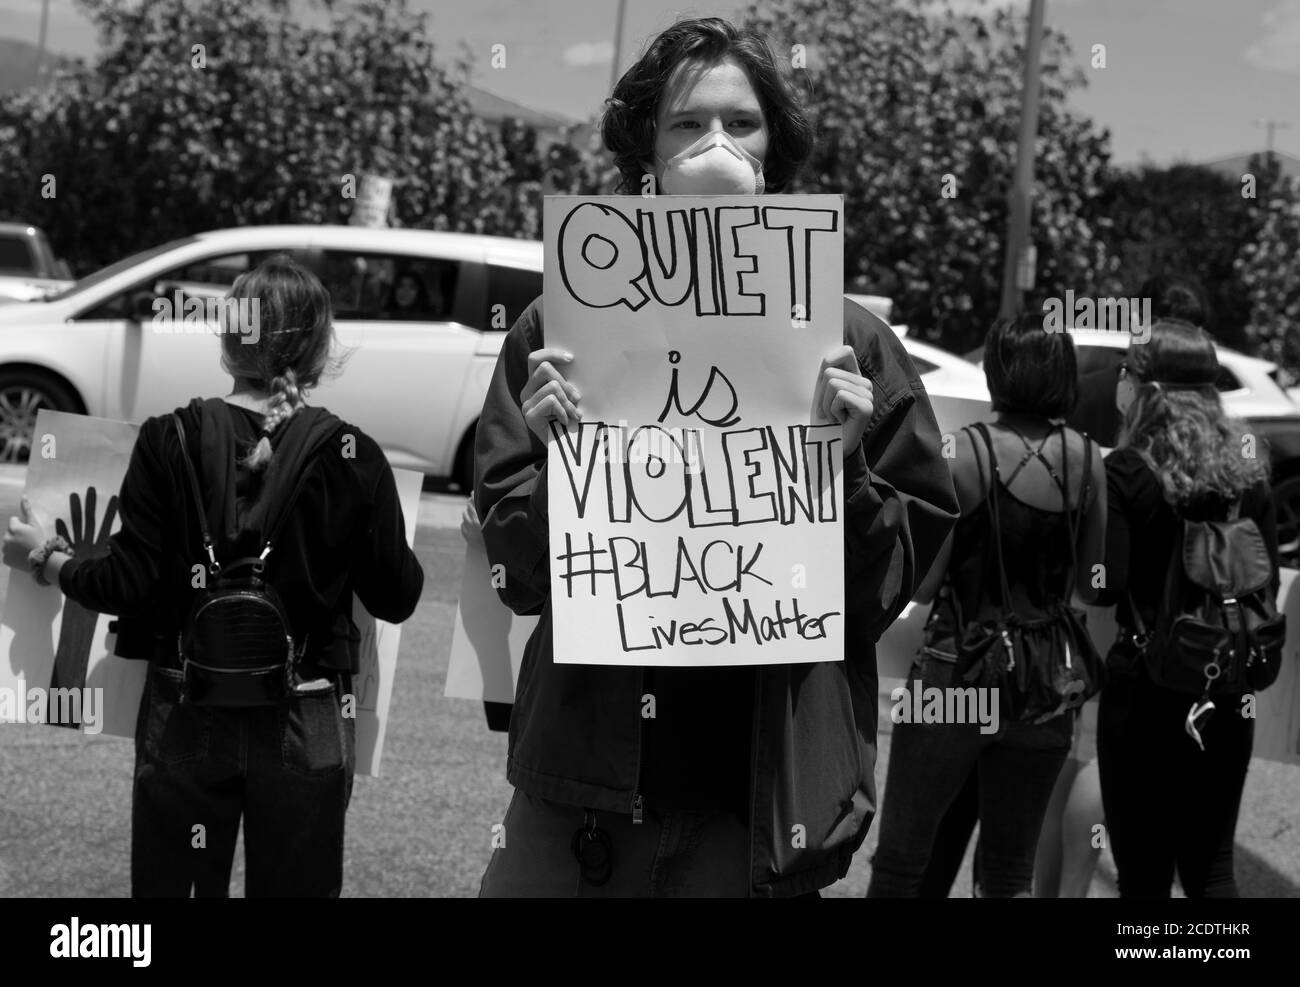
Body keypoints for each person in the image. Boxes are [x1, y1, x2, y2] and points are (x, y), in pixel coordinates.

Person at [472, 16, 958, 898]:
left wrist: (841, 470)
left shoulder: (851, 347)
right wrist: (553, 471)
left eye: (741, 123)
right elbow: (517, 575)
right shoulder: (559, 335)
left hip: (761, 821)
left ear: (774, 151)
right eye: (687, 125)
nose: (716, 146)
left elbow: (888, 590)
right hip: (578, 809)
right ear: (645, 156)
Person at [2, 255, 424, 897]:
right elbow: (398, 597)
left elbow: (128, 585)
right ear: (318, 352)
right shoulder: (353, 454)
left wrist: (49, 558)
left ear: (228, 344)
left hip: (186, 704)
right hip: (307, 709)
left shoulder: (168, 438)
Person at [867, 311, 1107, 898]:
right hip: (1044, 684)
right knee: (1007, 871)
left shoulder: (966, 454)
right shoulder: (1087, 459)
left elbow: (924, 588)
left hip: (955, 673)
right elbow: (1091, 585)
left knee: (902, 859)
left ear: (999, 372)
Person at [1095, 318, 1277, 897]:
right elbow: (1264, 570)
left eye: (1126, 371)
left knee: (1143, 872)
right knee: (1212, 866)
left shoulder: (1126, 471)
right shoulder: (1247, 470)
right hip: (1227, 687)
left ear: (1145, 388)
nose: (1119, 382)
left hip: (1145, 689)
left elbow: (1105, 585)